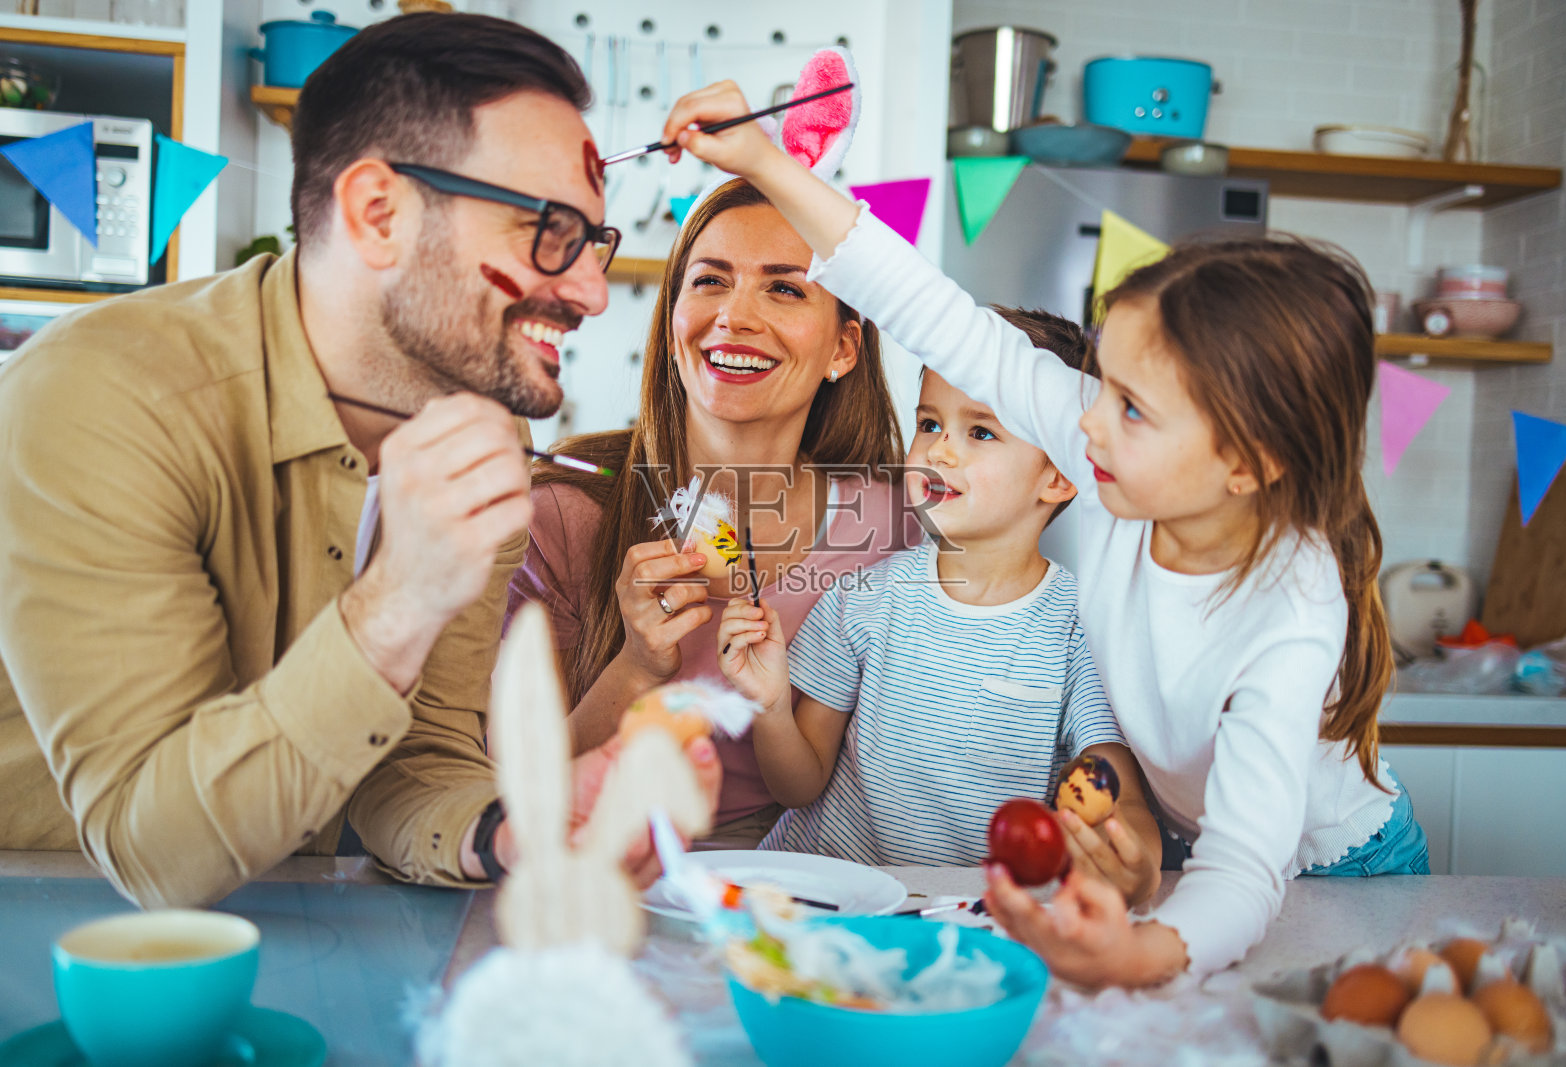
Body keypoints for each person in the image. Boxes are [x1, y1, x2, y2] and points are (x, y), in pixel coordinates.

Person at [659, 82, 1425, 985]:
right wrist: (764, 163)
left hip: (1332, 870)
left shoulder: (1290, 608)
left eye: (1131, 407)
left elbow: (1245, 869)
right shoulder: (1120, 458)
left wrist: (1131, 952)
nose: (1087, 423)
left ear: (1244, 464)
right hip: (1191, 854)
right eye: (1100, 390)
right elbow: (938, 314)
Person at [0, 14, 716, 909]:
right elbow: (154, 853)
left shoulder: (484, 434)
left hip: (297, 931)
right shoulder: (102, 395)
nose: (592, 292)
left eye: (592, 242)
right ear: (379, 212)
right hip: (55, 936)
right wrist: (399, 599)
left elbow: (416, 756)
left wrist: (515, 827)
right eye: (549, 230)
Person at [506, 178, 917, 847]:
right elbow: (511, 791)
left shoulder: (888, 527)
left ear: (844, 349)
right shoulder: (562, 511)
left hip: (795, 880)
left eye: (783, 287)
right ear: (673, 324)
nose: (733, 316)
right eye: (710, 281)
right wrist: (637, 664)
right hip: (595, 863)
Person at [716, 312, 1163, 904]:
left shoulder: (1079, 628)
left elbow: (1115, 784)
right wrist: (772, 707)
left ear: (1059, 476)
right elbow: (799, 785)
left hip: (964, 916)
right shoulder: (862, 598)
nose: (939, 450)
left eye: (980, 432)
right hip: (823, 901)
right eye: (929, 423)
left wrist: (1133, 857)